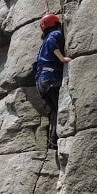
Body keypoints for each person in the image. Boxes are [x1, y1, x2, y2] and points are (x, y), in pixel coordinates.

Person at [33, 13, 72, 148]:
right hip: (49, 77)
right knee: (59, 108)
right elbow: (52, 43)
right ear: (55, 23)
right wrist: (62, 58)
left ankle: (53, 140)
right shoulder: (54, 34)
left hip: (40, 81)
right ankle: (55, 139)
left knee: (56, 109)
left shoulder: (43, 42)